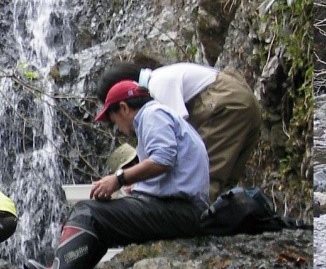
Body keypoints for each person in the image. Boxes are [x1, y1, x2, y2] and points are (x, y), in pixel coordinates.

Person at [10, 80, 208, 269]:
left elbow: (163, 160)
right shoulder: (161, 117)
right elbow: (170, 168)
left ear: (124, 107)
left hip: (181, 210)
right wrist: (138, 188)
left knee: (88, 211)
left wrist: (118, 179)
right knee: (104, 222)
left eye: (115, 122)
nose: (118, 130)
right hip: (182, 210)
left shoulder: (152, 115)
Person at [95, 61, 260, 200]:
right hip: (242, 99)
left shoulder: (157, 87)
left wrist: (135, 181)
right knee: (226, 180)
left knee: (203, 177)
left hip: (225, 103)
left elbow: (179, 145)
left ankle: (199, 230)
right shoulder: (159, 78)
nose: (117, 127)